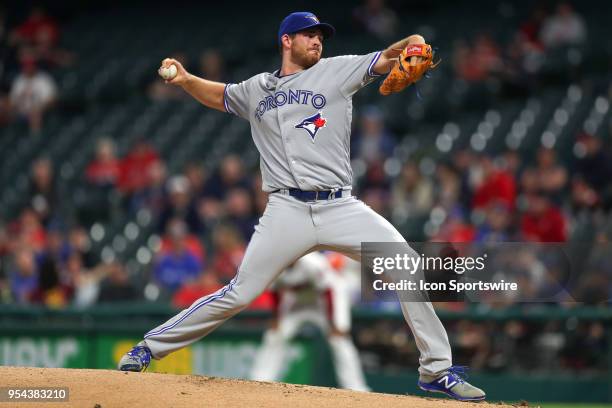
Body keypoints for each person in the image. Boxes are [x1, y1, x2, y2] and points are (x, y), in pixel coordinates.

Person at [118, 12, 485, 401]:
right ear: (286, 41)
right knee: (239, 293)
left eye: (320, 36)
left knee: (406, 267)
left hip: (339, 206)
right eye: (308, 35)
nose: (317, 41)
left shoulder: (338, 71)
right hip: (285, 210)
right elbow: (220, 95)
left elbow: (392, 54)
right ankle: (149, 348)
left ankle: (436, 371)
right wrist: (187, 79)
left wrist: (412, 42)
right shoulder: (257, 88)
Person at [250, 252, 370, 391]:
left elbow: (328, 292)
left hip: (324, 302)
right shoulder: (275, 265)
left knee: (339, 339)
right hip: (298, 303)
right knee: (275, 335)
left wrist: (334, 323)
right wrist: (276, 318)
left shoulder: (313, 263)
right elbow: (275, 293)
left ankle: (356, 387)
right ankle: (261, 380)